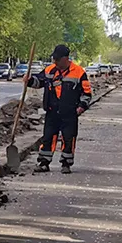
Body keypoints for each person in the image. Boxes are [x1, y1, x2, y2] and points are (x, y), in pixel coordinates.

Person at [23, 44, 92, 174]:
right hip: (52, 111)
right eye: (54, 59)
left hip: (69, 113)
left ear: (66, 59)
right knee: (48, 137)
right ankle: (44, 162)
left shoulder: (79, 72)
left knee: (68, 138)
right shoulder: (50, 70)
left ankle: (66, 164)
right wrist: (30, 80)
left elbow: (86, 93)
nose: (55, 61)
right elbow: (39, 81)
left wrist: (81, 108)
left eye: (57, 59)